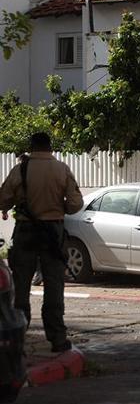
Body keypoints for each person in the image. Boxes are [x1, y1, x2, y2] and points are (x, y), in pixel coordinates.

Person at [0, 132, 83, 352]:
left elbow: (3, 199)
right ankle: (57, 338)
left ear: (32, 146)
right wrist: (57, 208)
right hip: (52, 232)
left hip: (26, 231)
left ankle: (19, 339)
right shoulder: (61, 169)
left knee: (21, 288)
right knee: (54, 286)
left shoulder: (20, 169)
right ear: (50, 147)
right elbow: (75, 204)